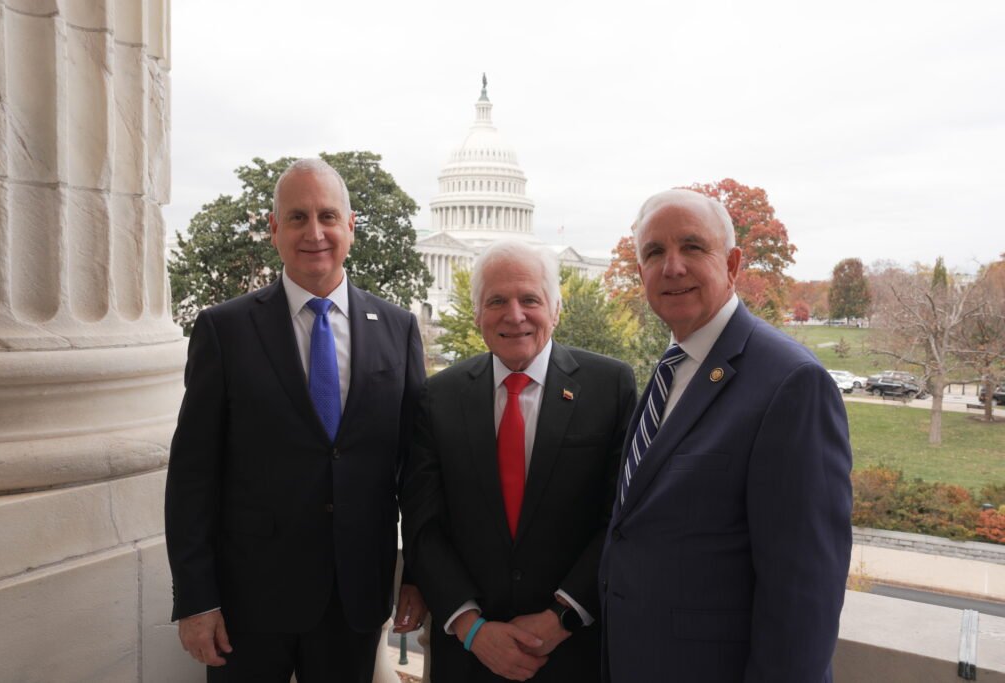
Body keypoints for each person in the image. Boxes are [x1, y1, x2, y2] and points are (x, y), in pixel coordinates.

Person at [164, 158, 427, 682]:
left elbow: (417, 468)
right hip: (247, 604)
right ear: (273, 228)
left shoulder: (398, 329)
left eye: (328, 216)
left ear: (351, 226)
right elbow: (193, 474)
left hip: (355, 598)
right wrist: (195, 599)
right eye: (297, 217)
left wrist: (416, 575)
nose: (315, 233)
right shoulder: (225, 329)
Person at [599, 189, 853, 682]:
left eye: (693, 247)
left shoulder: (790, 383)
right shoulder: (674, 369)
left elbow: (804, 597)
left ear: (733, 263)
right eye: (654, 253)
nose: (672, 267)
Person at [402, 240, 637, 682]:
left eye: (530, 299)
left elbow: (620, 518)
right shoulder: (439, 397)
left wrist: (561, 617)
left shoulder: (611, 386)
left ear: (557, 308)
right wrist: (472, 629)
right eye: (496, 301)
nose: (514, 315)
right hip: (468, 655)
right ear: (476, 314)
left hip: (574, 652)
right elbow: (423, 524)